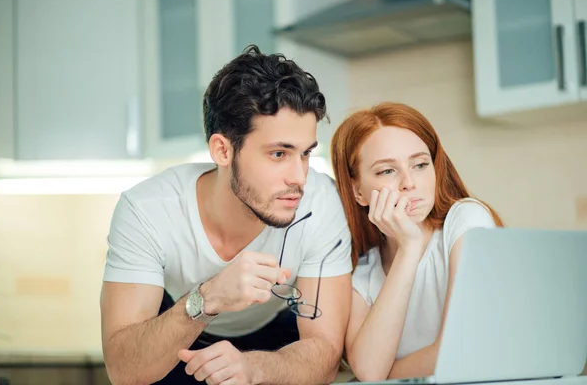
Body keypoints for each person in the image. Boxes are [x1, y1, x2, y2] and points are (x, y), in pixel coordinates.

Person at [100, 45, 353, 385]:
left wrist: (255, 368)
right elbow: (123, 369)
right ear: (222, 150)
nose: (299, 177)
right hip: (179, 332)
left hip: (279, 339)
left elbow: (325, 352)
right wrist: (209, 297)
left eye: (305, 154)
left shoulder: (321, 202)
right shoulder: (147, 210)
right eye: (279, 153)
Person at [330, 102, 504, 382]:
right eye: (387, 171)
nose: (409, 182)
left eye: (420, 164)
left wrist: (389, 376)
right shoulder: (363, 271)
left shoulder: (467, 220)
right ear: (357, 191)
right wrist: (408, 248)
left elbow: (459, 350)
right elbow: (368, 370)